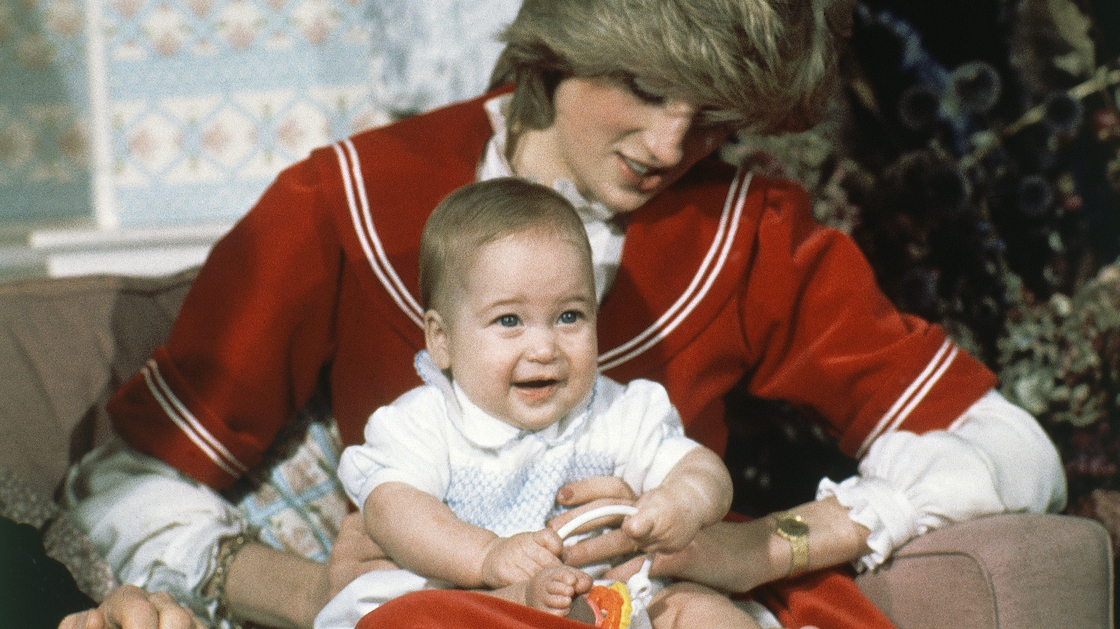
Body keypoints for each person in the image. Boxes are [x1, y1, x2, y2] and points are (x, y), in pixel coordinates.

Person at [62, 0, 1067, 628]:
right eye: (642, 86)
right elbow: (127, 478)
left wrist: (769, 546)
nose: (672, 141)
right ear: (560, 42)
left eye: (713, 111)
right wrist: (306, 591)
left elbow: (1009, 447)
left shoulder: (754, 229)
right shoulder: (350, 199)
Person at [314, 177, 762, 629]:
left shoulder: (617, 412)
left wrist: (684, 500)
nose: (545, 347)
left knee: (699, 610)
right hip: (473, 603)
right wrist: (485, 554)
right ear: (442, 340)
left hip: (610, 600)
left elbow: (701, 468)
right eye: (509, 320)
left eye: (570, 316)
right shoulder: (425, 421)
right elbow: (393, 508)